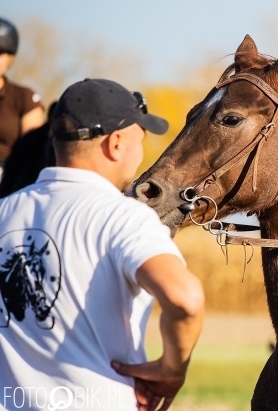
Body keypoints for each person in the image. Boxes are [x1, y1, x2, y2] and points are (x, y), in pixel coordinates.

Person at [0, 78, 204, 411]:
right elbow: (186, 299)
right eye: (142, 138)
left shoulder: (4, 210)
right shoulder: (124, 217)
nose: (142, 152)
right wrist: (171, 370)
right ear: (116, 144)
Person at [0, 18, 47, 179]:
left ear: (11, 58)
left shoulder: (24, 97)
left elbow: (32, 150)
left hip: (7, 178)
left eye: (0, 53)